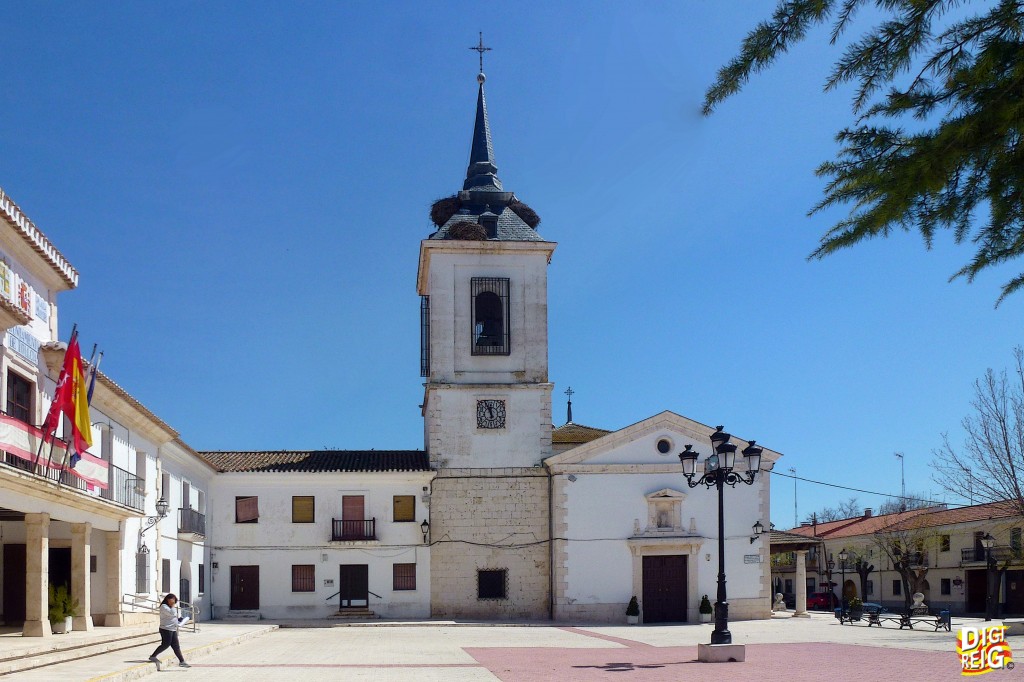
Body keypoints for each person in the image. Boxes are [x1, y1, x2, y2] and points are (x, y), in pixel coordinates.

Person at [148, 593, 191, 670]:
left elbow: (175, 616)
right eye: (172, 600)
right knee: (165, 644)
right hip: (165, 629)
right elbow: (172, 613)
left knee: (176, 646)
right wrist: (173, 606)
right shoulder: (164, 607)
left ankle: (182, 661)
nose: (173, 602)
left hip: (173, 628)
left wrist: (180, 619)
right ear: (168, 599)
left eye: (174, 600)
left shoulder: (171, 607)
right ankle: (153, 656)